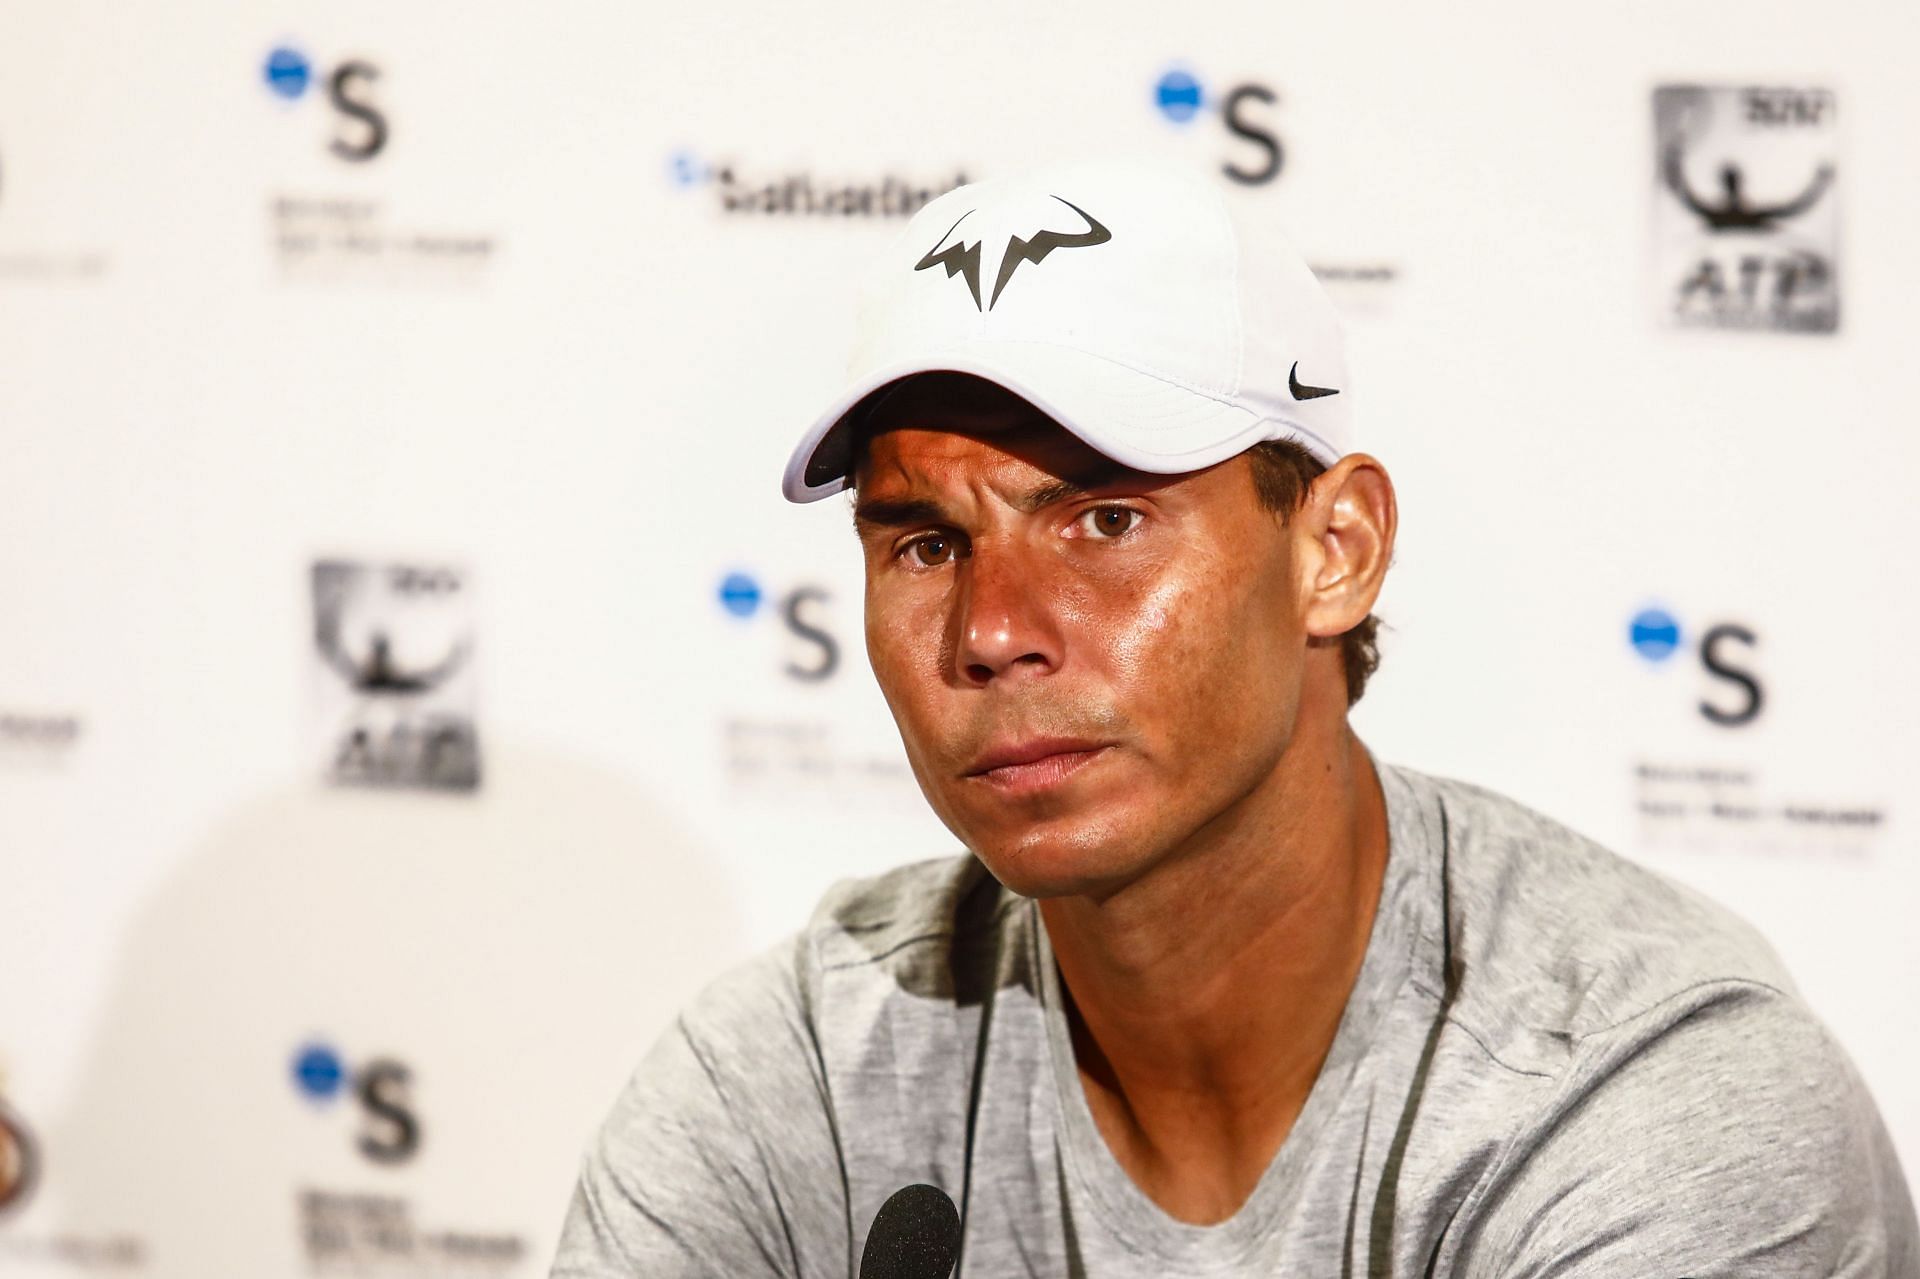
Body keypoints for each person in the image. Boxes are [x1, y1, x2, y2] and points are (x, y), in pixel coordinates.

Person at [552, 160, 1918, 1276]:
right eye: (922, 542)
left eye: (1104, 517)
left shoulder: (1642, 1096)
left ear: (1335, 551)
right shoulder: (798, 1066)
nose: (991, 629)